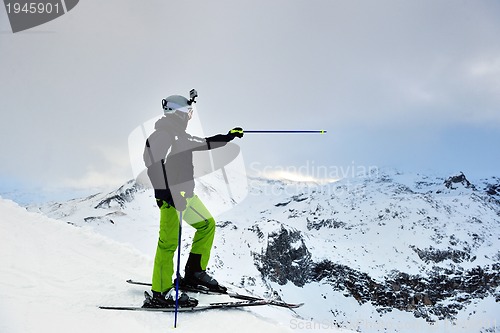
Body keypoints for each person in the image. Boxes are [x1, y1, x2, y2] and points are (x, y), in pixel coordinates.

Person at [143, 91, 243, 308]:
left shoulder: (181, 136)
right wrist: (165, 194)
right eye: (187, 112)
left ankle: (194, 274)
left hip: (186, 196)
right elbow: (151, 163)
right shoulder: (163, 135)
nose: (190, 116)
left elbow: (205, 143)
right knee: (168, 243)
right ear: (177, 113)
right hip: (171, 198)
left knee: (207, 225)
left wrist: (228, 136)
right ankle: (161, 293)